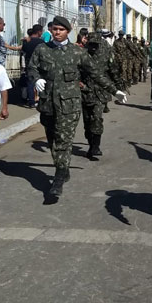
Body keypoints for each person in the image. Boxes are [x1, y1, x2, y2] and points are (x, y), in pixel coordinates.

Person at [28, 16, 122, 198]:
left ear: (68, 32)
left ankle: (59, 176)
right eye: (54, 29)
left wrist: (115, 90)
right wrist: (36, 78)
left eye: (61, 30)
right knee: (53, 141)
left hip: (69, 106)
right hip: (48, 104)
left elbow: (96, 73)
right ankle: (63, 168)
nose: (57, 32)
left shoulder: (77, 53)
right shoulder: (42, 50)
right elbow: (32, 68)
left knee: (64, 140)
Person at [81, 32, 125, 160]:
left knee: (97, 118)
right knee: (87, 122)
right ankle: (91, 144)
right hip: (85, 92)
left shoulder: (106, 53)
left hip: (100, 91)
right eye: (91, 45)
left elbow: (113, 69)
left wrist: (118, 87)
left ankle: (96, 146)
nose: (94, 48)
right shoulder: (82, 54)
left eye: (96, 45)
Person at [21, 25, 44, 108]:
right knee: (40, 82)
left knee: (30, 83)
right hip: (39, 65)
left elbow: (23, 51)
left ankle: (31, 102)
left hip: (29, 64)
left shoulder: (27, 41)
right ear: (39, 32)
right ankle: (40, 100)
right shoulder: (41, 42)